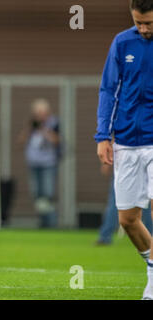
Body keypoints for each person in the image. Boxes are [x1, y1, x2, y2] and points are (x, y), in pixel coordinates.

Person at [95, 0, 153, 300]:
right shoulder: (122, 42)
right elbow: (108, 89)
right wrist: (103, 135)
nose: (143, 28)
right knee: (128, 220)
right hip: (126, 141)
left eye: (149, 23)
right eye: (138, 22)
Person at [18, 98, 60, 228]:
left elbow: (57, 141)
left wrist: (44, 129)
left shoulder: (53, 123)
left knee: (47, 193)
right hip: (33, 163)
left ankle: (51, 223)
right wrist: (30, 129)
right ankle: (44, 222)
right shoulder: (31, 125)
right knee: (37, 195)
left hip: (48, 164)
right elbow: (20, 141)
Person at [96, 164, 152, 245]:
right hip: (142, 168)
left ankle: (105, 236)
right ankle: (150, 238)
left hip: (125, 169)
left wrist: (107, 164)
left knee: (115, 204)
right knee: (147, 205)